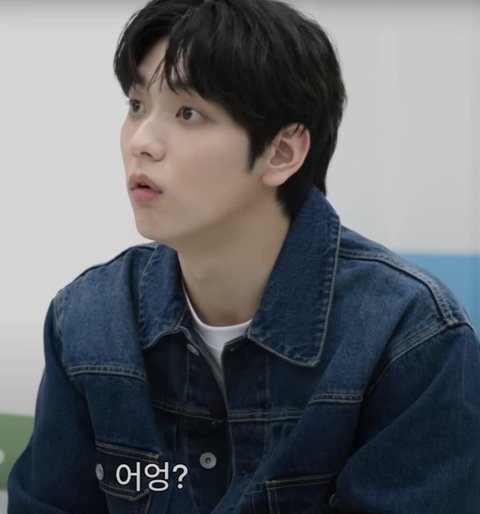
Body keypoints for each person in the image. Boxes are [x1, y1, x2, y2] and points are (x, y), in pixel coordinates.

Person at [7, 0, 480, 512]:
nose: (141, 142)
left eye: (188, 113)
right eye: (137, 104)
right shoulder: (87, 321)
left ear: (281, 152)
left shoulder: (410, 336)